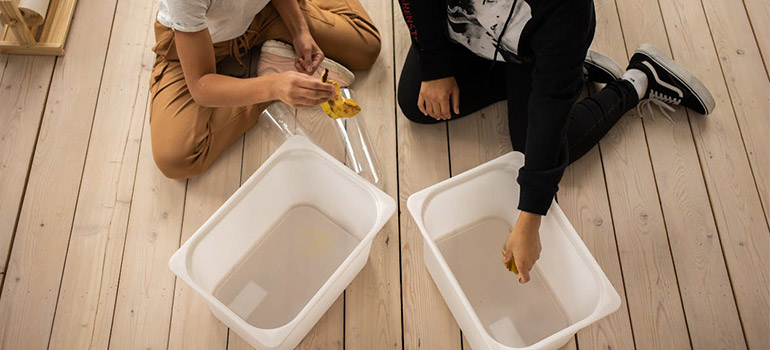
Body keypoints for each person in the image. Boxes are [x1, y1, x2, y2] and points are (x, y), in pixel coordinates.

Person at [397, 0, 715, 283]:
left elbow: (548, 114)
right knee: (416, 102)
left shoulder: (569, 12)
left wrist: (531, 215)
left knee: (537, 146)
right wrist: (435, 66)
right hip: (469, 32)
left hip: (530, 52)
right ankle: (563, 67)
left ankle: (638, 81)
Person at [150, 0, 381, 179]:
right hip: (195, 44)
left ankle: (277, 73)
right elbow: (201, 83)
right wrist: (273, 87)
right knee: (177, 157)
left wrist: (300, 30)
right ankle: (275, 73)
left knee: (366, 45)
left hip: (261, 16)